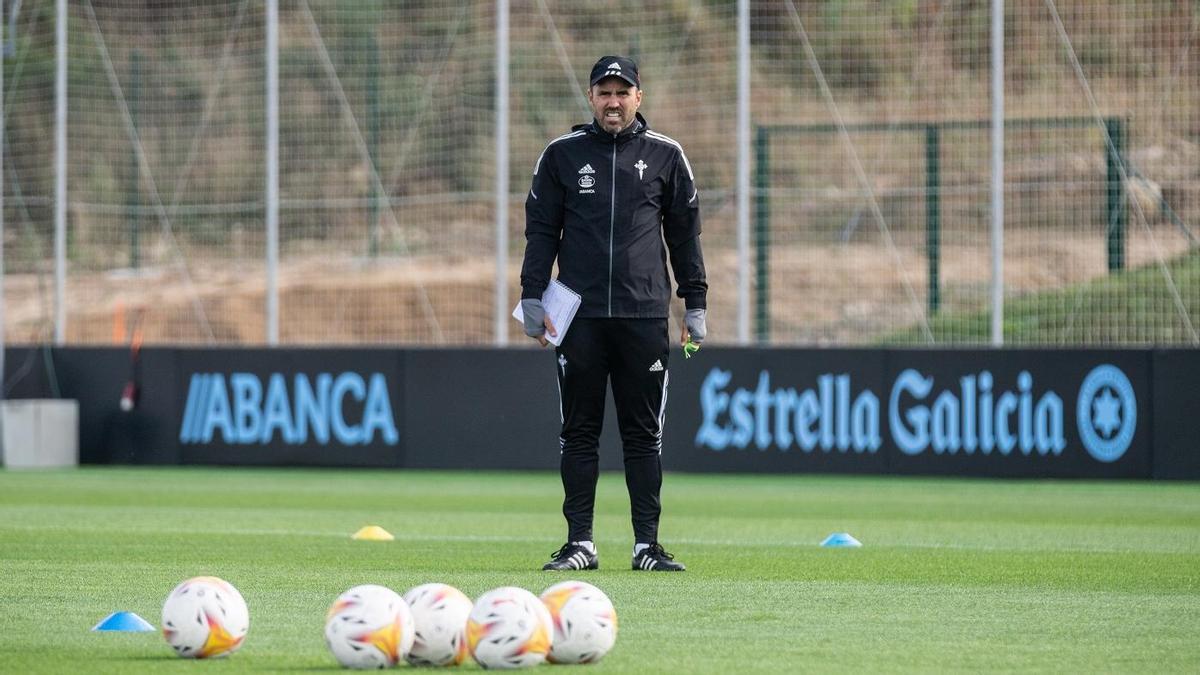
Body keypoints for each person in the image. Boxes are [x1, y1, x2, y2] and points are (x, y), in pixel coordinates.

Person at [520, 55, 708, 572]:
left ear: (638, 98)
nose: (613, 101)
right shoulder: (561, 155)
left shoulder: (666, 156)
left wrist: (695, 302)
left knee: (643, 436)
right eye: (604, 91)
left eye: (622, 91)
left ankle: (646, 545)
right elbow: (541, 232)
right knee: (578, 432)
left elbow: (684, 236)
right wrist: (532, 296)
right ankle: (580, 543)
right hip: (577, 318)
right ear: (591, 97)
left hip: (644, 315)